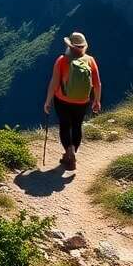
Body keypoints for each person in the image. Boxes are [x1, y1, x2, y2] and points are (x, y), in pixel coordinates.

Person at [43, 31, 102, 170]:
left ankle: (68, 152)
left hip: (62, 100)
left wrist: (48, 101)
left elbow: (54, 83)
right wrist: (97, 101)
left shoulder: (62, 60)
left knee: (64, 126)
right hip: (82, 101)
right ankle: (73, 152)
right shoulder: (90, 60)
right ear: (83, 46)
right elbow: (97, 83)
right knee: (77, 126)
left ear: (69, 46)